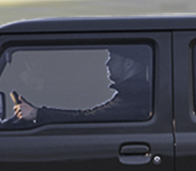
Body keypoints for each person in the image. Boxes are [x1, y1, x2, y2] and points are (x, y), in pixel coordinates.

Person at [9, 49, 150, 125]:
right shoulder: (137, 91)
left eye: (112, 58)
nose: (107, 64)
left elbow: (89, 118)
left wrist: (36, 114)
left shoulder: (135, 95)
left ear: (128, 64)